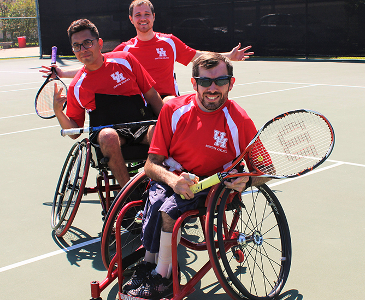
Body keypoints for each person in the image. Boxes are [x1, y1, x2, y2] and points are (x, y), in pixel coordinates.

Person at [122, 52, 270, 299]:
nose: (212, 88)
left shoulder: (240, 120)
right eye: (205, 81)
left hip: (214, 188)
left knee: (169, 209)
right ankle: (149, 263)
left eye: (220, 81)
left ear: (231, 84)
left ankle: (163, 277)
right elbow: (150, 165)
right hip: (174, 176)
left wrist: (248, 180)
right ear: (194, 84)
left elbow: (266, 171)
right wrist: (173, 180)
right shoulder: (172, 109)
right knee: (157, 199)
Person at [41, 0, 254, 100]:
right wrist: (61, 73)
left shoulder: (169, 42)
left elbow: (197, 57)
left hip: (167, 98)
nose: (143, 18)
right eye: (138, 15)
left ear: (153, 17)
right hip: (138, 101)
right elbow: (97, 65)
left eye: (146, 14)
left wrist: (229, 56)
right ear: (131, 19)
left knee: (170, 103)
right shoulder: (125, 49)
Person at [54, 19, 164, 188]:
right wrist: (58, 111)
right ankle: (128, 194)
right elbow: (74, 131)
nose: (82, 49)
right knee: (108, 136)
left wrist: (171, 124)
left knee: (159, 131)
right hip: (109, 133)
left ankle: (157, 185)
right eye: (77, 46)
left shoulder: (125, 60)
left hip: (140, 125)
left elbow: (152, 96)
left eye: (87, 43)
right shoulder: (76, 86)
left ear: (99, 43)